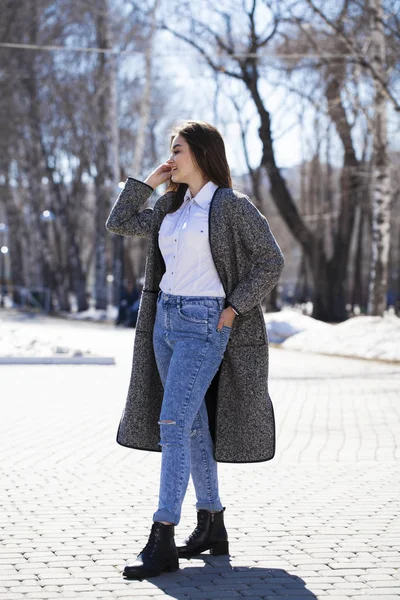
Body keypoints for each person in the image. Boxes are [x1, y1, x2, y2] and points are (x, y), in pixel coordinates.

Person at [105, 120, 284, 580]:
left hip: (205, 324)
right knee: (191, 425)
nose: (171, 157)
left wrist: (233, 310)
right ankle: (211, 526)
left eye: (178, 149)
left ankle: (163, 534)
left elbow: (271, 260)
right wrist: (150, 180)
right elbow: (119, 221)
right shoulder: (171, 207)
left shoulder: (231, 207)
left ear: (202, 153)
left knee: (172, 422)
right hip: (165, 321)